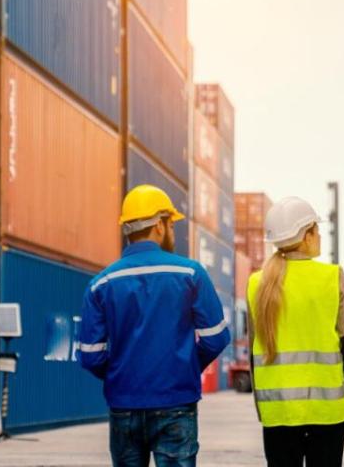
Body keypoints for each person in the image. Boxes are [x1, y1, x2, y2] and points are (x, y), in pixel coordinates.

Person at [79, 184, 231, 467]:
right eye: (171, 224)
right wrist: (184, 367)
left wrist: (122, 374)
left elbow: (90, 355)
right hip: (176, 403)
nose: (173, 231)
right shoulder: (190, 273)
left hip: (124, 406)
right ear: (160, 225)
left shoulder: (101, 284)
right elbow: (217, 338)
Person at [247, 196, 344, 467]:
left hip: (278, 411)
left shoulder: (257, 283)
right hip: (327, 410)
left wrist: (263, 409)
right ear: (307, 235)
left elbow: (255, 353)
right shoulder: (332, 277)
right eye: (317, 229)